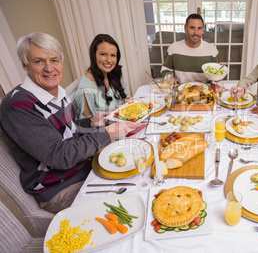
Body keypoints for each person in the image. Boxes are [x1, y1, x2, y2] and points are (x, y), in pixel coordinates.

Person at [0, 32, 141, 213]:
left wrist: (90, 123)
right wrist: (108, 133)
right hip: (60, 187)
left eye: (54, 60)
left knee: (139, 174)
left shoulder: (57, 91)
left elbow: (70, 130)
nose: (49, 68)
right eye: (39, 61)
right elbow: (59, 155)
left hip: (85, 167)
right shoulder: (18, 105)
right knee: (130, 207)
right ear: (25, 65)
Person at [75, 34, 132, 119]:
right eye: (103, 54)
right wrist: (112, 115)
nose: (109, 60)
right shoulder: (86, 89)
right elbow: (86, 125)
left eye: (113, 55)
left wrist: (126, 101)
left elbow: (122, 99)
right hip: (110, 131)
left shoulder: (111, 74)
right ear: (93, 55)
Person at [160, 13, 219, 83]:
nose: (196, 33)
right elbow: (165, 69)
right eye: (192, 28)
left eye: (199, 28)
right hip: (180, 90)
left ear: (203, 30)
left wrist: (219, 71)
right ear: (185, 28)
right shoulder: (174, 48)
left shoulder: (212, 50)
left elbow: (216, 79)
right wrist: (169, 78)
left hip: (205, 91)